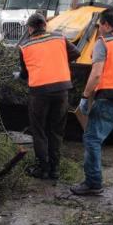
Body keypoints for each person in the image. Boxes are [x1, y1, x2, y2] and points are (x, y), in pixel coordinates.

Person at [71, 8, 113, 195]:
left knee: (92, 139)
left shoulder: (103, 44)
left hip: (108, 100)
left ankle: (93, 183)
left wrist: (85, 97)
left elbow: (96, 74)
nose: (99, 29)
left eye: (100, 25)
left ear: (107, 25)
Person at [19, 13, 81, 180]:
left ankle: (43, 169)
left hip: (39, 93)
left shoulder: (24, 46)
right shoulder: (59, 38)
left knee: (39, 131)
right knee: (56, 130)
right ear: (45, 25)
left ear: (30, 28)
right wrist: (58, 60)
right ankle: (55, 169)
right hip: (61, 91)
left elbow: (24, 74)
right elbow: (76, 53)